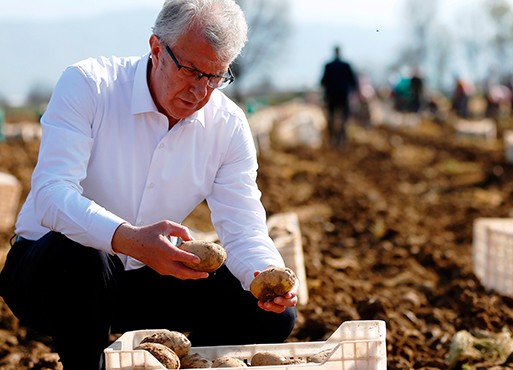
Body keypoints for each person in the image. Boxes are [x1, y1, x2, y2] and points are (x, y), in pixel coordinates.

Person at [0, 1, 297, 369]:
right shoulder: (91, 85)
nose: (200, 91)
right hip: (52, 277)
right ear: (157, 49)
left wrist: (263, 273)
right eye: (190, 71)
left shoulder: (228, 125)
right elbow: (50, 195)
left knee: (271, 315)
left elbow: (244, 228)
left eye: (215, 77)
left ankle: (180, 363)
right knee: (82, 253)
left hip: (143, 278)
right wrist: (126, 238)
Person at [320, 45, 357, 148]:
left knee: (331, 118)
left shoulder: (328, 66)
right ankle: (342, 139)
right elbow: (353, 81)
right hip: (343, 95)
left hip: (331, 96)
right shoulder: (346, 65)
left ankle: (332, 139)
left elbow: (322, 81)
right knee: (344, 118)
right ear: (340, 52)